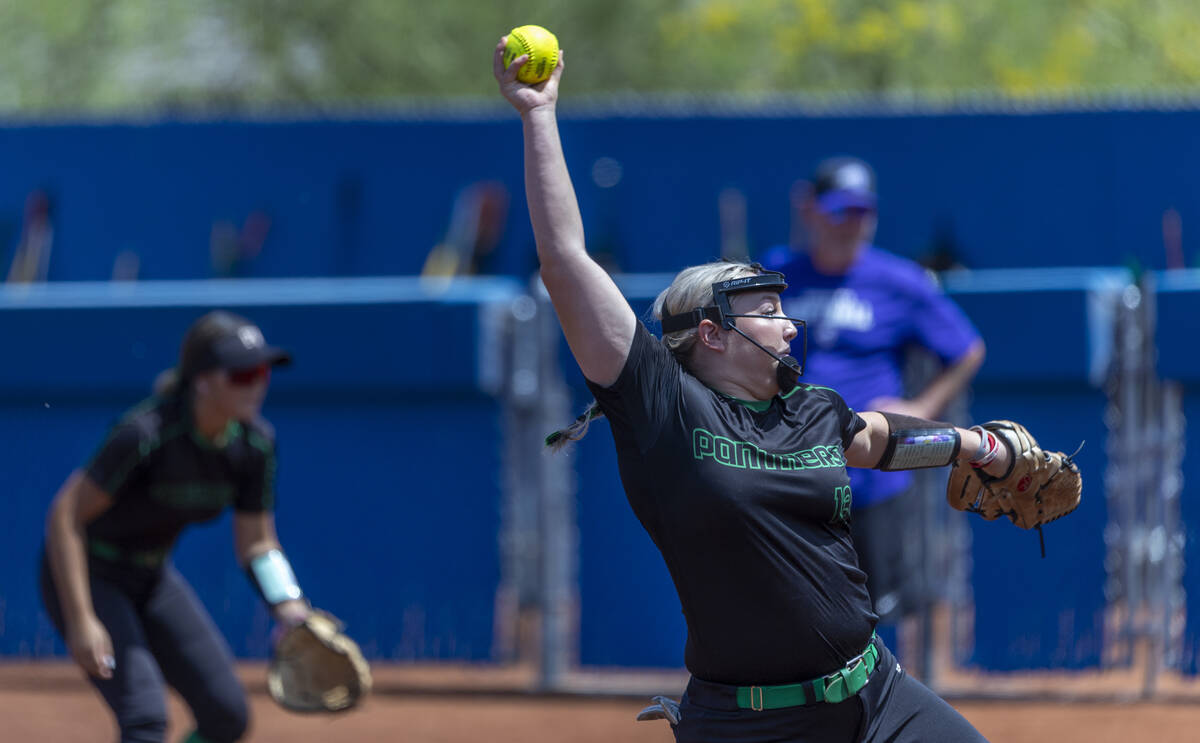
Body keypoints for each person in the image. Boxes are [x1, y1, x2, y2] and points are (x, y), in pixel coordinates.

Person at [495, 39, 1005, 742]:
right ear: (710, 333)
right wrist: (539, 116)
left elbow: (884, 444)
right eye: (767, 313)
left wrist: (977, 445)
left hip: (878, 695)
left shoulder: (811, 408)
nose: (789, 327)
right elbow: (564, 260)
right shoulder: (663, 407)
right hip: (753, 724)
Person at [40, 310, 310, 743]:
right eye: (241, 374)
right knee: (145, 718)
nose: (257, 383)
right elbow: (65, 515)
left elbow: (257, 543)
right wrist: (82, 619)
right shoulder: (146, 434)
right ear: (202, 380)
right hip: (89, 574)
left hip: (149, 576)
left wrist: (288, 605)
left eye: (262, 371)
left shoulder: (255, 444)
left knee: (227, 717)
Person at [759, 158, 985, 653]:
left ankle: (883, 712)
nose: (852, 224)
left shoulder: (898, 280)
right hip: (792, 471)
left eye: (862, 212)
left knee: (878, 610)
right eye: (840, 211)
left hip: (870, 475)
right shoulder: (776, 276)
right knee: (793, 607)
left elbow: (967, 348)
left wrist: (920, 405)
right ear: (810, 209)